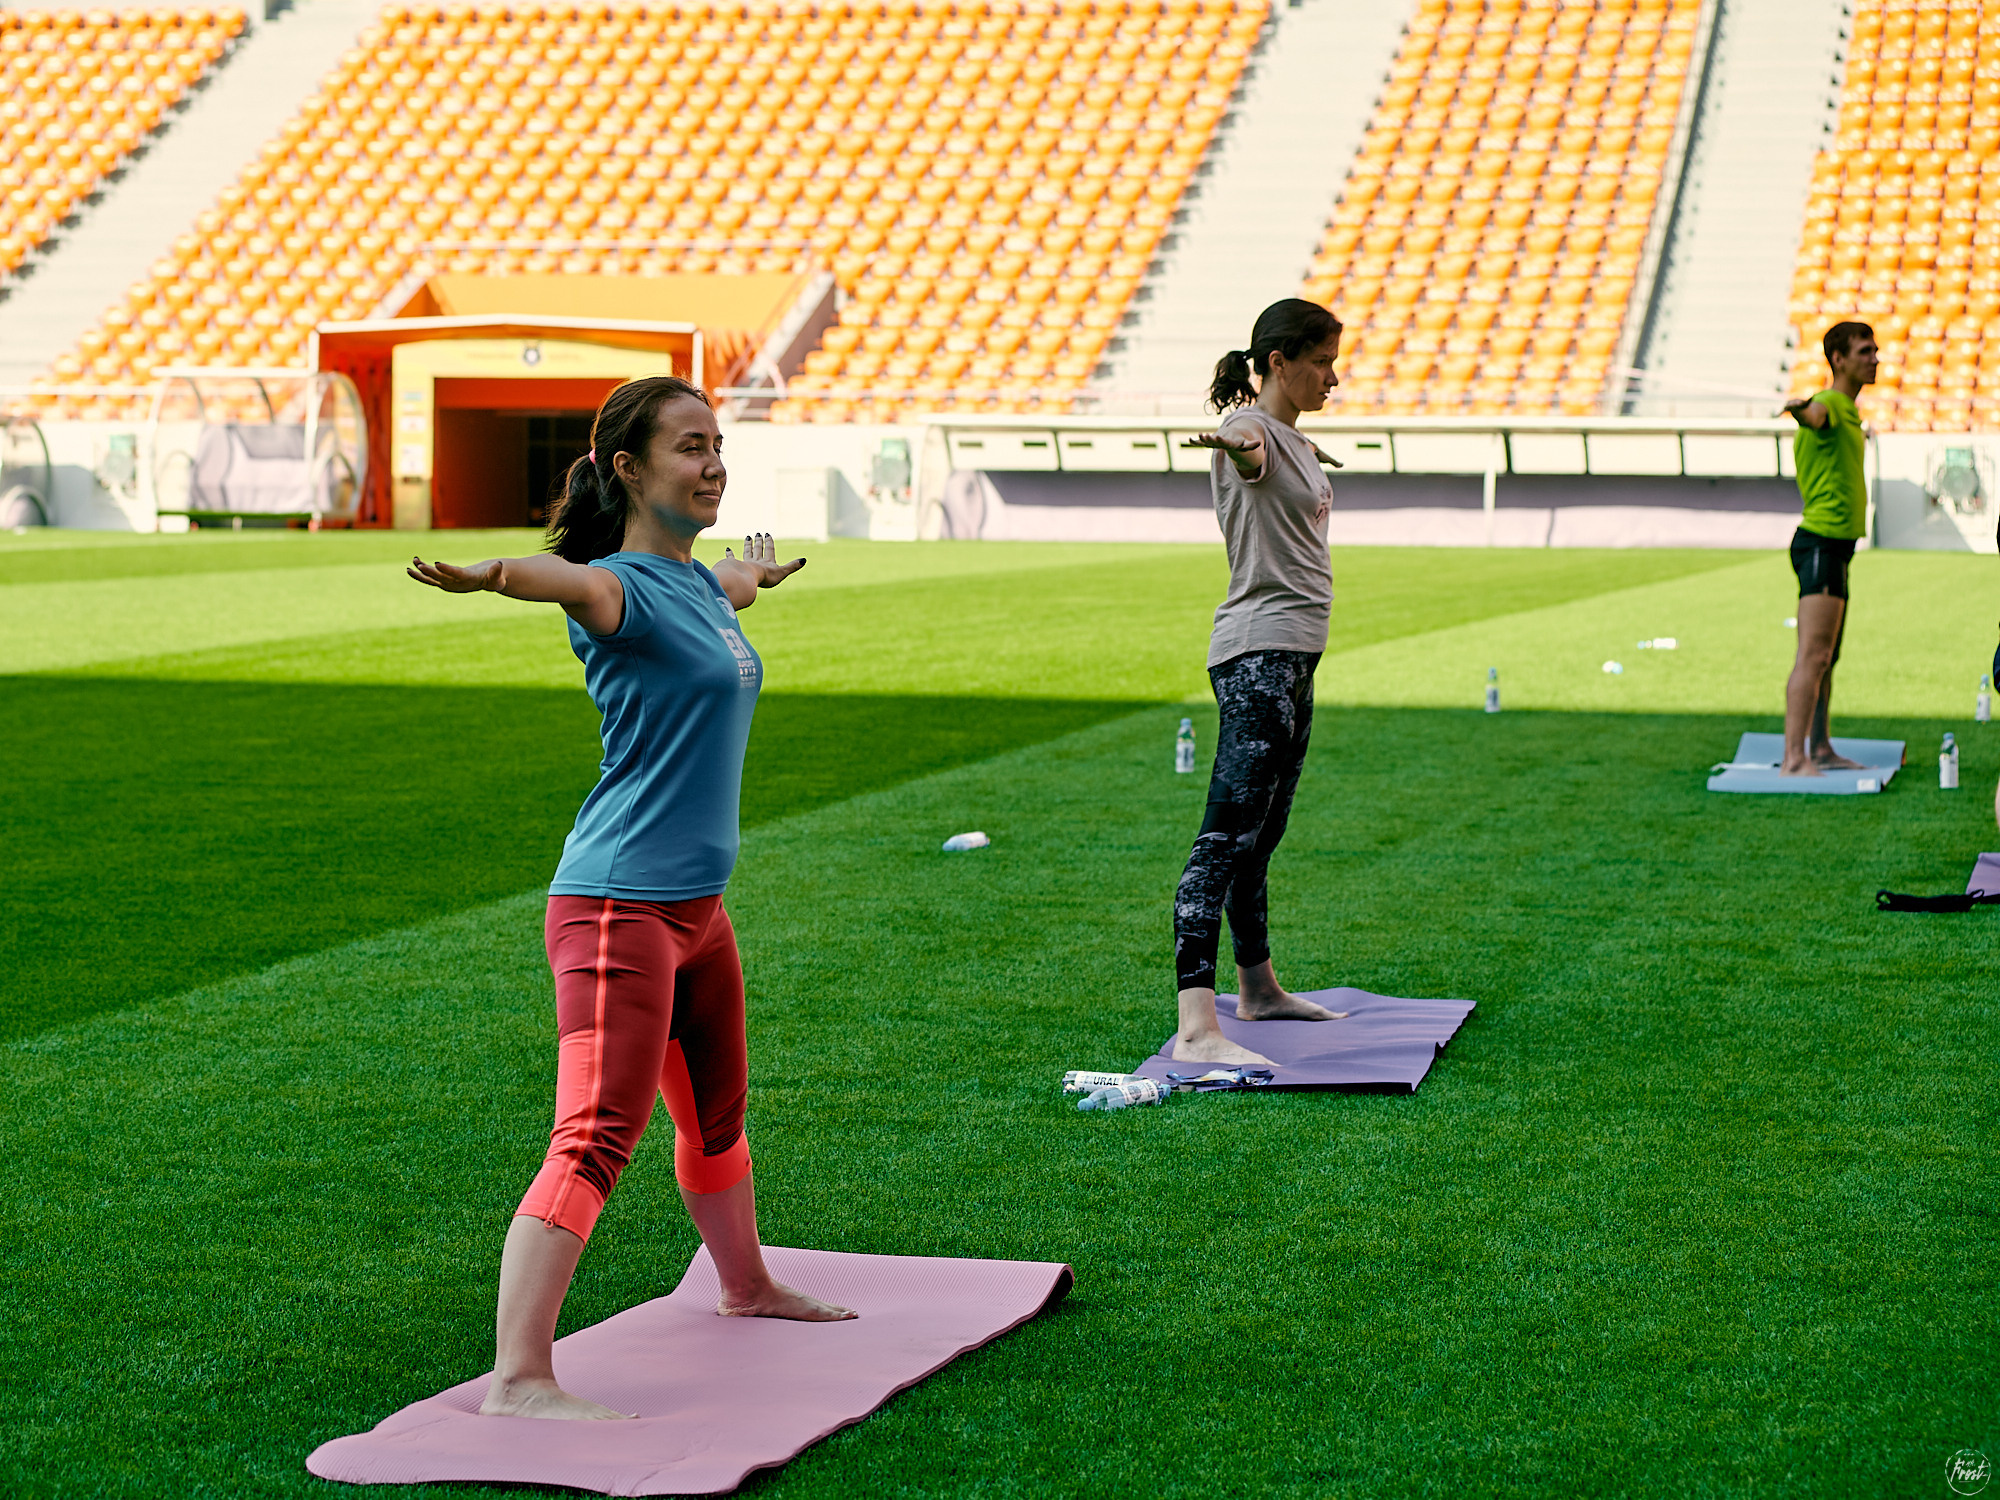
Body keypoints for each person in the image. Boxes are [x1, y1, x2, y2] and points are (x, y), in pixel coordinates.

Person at [407, 374, 852, 1422]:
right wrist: (488, 576)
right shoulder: (613, 588)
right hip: (616, 907)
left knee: (716, 1112)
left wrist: (751, 571)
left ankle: (743, 1286)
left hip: (696, 909)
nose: (713, 465)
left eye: (717, 446)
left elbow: (732, 587)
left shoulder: (698, 586)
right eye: (689, 449)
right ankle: (517, 1378)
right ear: (626, 468)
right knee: (595, 1134)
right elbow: (553, 580)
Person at [1172, 299, 1352, 1066]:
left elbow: (1276, 453)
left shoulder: (1295, 439)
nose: (1333, 377)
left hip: (1293, 658)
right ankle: (1195, 1029)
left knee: (1262, 835)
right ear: (1278, 362)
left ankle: (1258, 990)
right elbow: (1248, 448)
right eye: (1320, 362)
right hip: (1258, 657)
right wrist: (1240, 444)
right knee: (1223, 835)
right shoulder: (1252, 432)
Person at [1778, 320, 1878, 777]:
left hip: (1836, 547)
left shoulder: (1847, 410)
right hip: (1820, 544)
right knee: (1813, 656)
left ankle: (1819, 749)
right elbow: (1815, 415)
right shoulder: (1832, 403)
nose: (1873, 357)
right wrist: (1800, 409)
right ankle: (1794, 759)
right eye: (1864, 350)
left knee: (1827, 657)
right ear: (1838, 358)